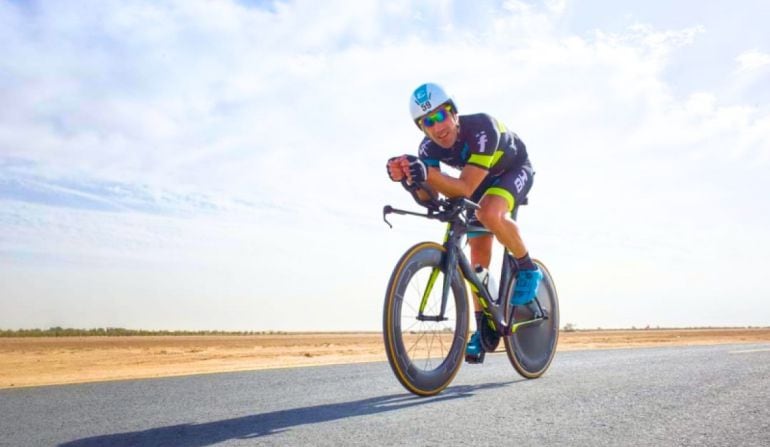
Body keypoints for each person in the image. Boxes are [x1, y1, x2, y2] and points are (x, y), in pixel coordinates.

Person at [386, 82, 543, 363]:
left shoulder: (482, 128)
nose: (436, 127)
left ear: (454, 113)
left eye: (440, 116)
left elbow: (465, 188)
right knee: (477, 258)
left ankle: (527, 267)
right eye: (426, 123)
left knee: (489, 214)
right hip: (478, 180)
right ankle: (483, 323)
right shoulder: (427, 148)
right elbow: (430, 198)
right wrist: (411, 180)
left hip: (512, 169)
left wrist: (427, 174)